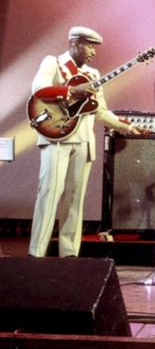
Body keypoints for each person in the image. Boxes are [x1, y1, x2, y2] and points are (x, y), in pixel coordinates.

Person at [28, 26, 142, 257]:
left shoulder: (93, 74)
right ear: (75, 43)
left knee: (74, 201)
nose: (94, 52)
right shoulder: (53, 62)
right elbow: (38, 89)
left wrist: (126, 126)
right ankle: (36, 254)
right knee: (49, 195)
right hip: (57, 138)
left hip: (83, 142)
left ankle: (69, 254)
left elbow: (100, 111)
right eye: (90, 46)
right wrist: (71, 91)